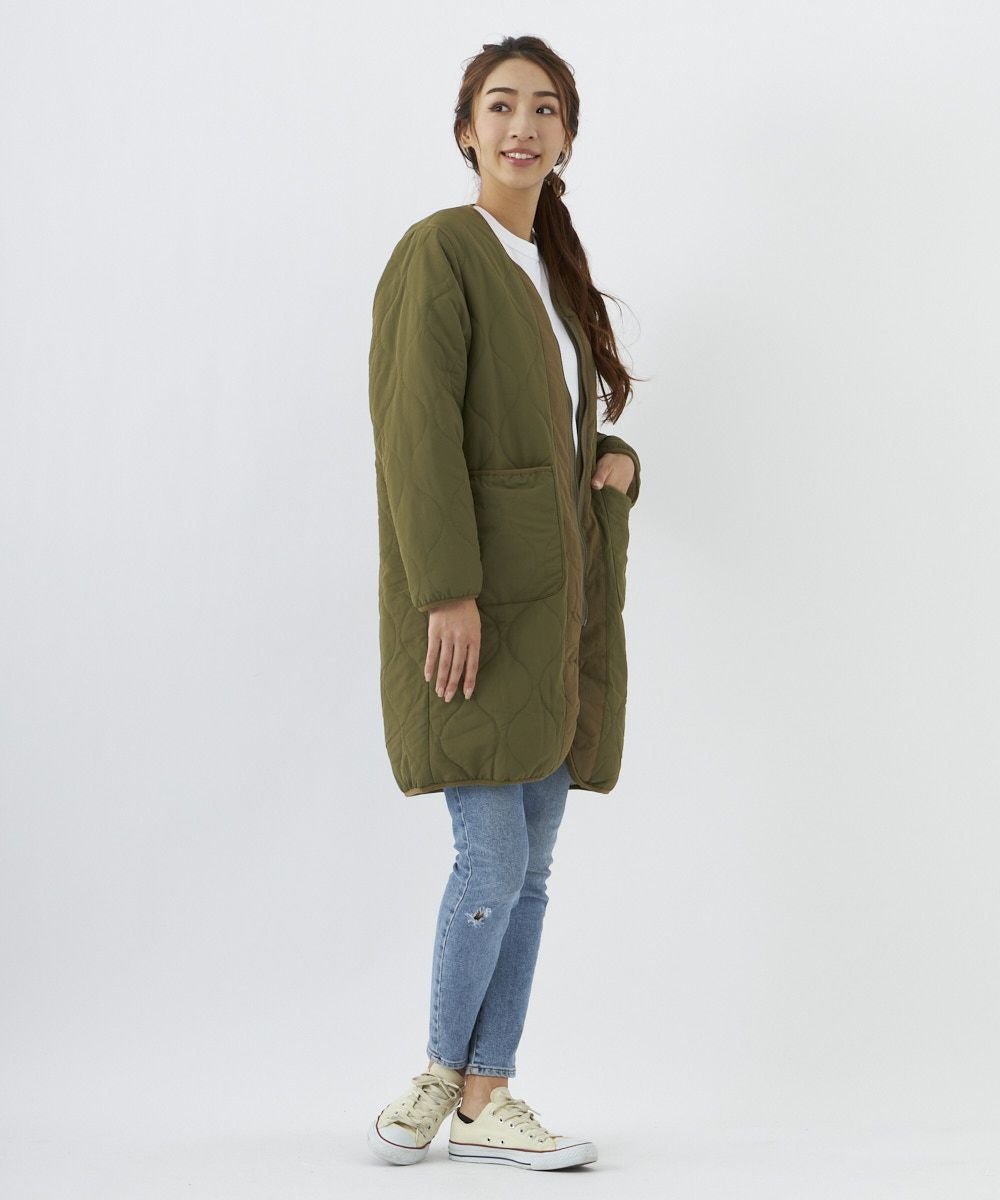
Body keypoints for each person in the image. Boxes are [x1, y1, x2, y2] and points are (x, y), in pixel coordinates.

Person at [366, 35, 644, 1171]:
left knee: (530, 871)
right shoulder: (442, 250)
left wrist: (612, 467)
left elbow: (548, 444)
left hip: (553, 615)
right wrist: (447, 590)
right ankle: (440, 1072)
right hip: (477, 609)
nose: (521, 125)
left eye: (544, 109)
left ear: (566, 138)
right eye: (500, 105)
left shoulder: (555, 278)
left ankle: (488, 1094)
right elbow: (415, 429)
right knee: (489, 860)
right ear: (465, 131)